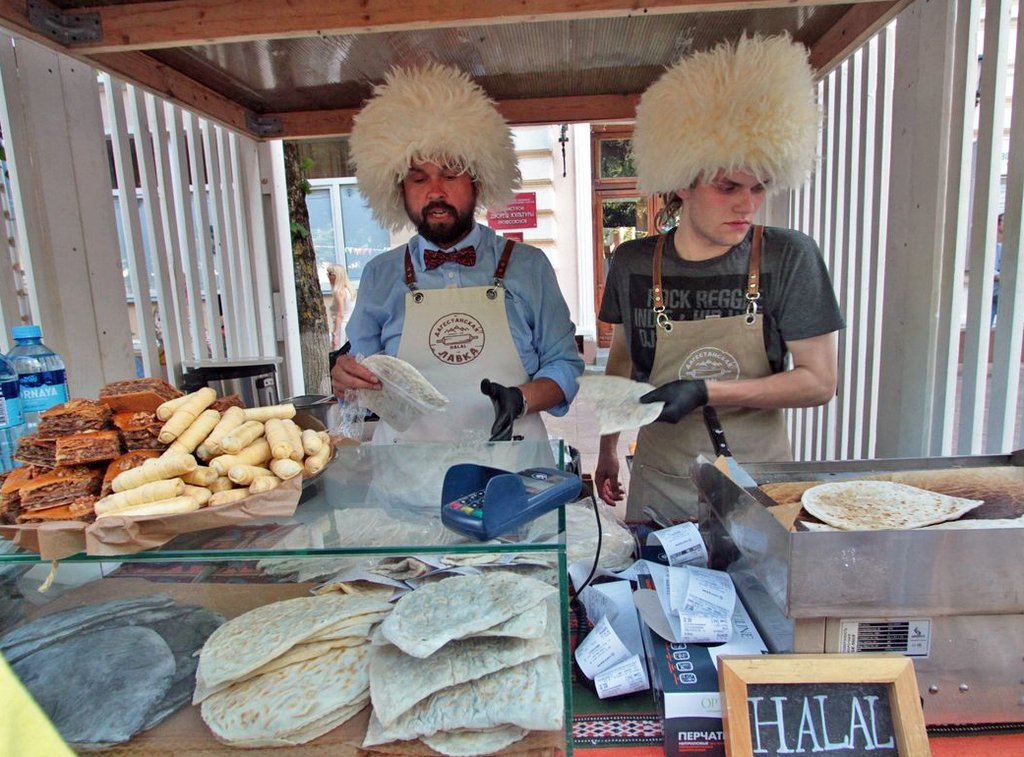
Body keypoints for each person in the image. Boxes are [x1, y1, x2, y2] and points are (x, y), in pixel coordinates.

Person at [594, 34, 846, 522]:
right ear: (683, 181)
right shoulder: (632, 263)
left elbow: (819, 382)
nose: (746, 205)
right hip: (661, 480)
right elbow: (621, 367)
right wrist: (607, 447)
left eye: (758, 188)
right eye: (727, 186)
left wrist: (708, 392)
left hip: (760, 488)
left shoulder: (788, 256)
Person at [330, 64, 584, 443]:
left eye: (450, 175)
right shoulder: (380, 275)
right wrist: (346, 378)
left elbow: (565, 366)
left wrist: (520, 400)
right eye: (418, 178)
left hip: (512, 474)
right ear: (398, 188)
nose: (435, 191)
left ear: (478, 181)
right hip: (408, 480)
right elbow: (362, 386)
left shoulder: (529, 267)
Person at [326, 263, 355, 350]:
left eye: (330, 274)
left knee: (338, 355)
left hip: (342, 328)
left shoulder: (338, 292)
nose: (328, 276)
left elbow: (340, 314)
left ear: (337, 276)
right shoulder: (349, 290)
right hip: (351, 327)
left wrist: (335, 335)